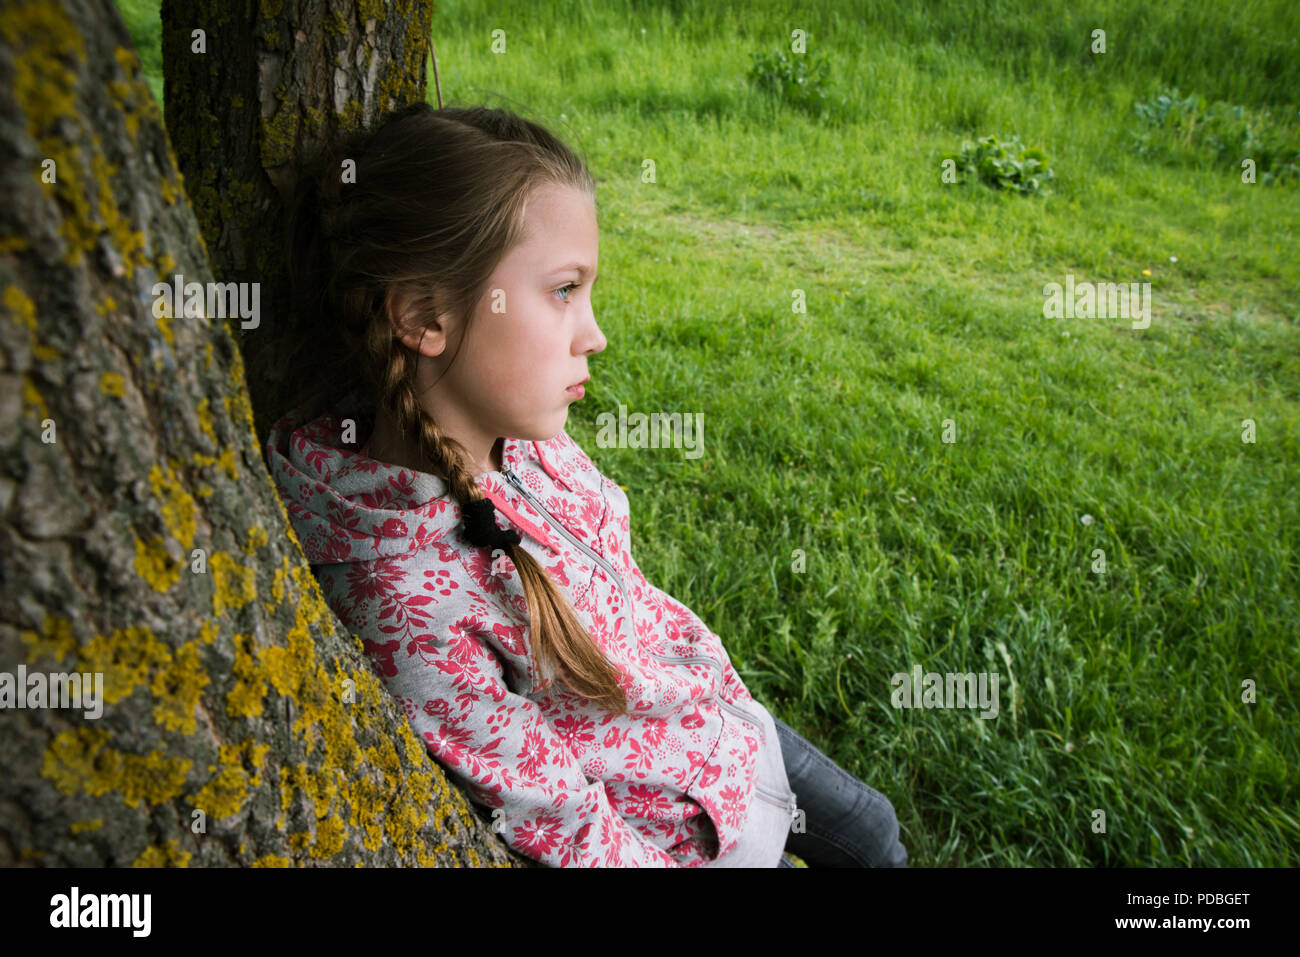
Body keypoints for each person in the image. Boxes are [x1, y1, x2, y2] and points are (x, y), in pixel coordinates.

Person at [266, 101, 906, 868]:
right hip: (697, 834)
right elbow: (563, 820)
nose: (594, 333)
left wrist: (716, 689)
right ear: (423, 314)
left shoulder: (523, 438)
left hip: (730, 729)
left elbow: (630, 594)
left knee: (874, 834)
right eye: (564, 290)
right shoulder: (400, 592)